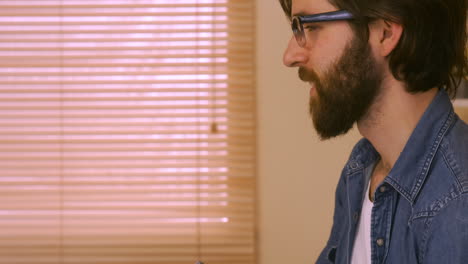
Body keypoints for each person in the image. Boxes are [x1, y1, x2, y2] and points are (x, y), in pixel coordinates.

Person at [278, 0, 468, 263]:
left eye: (312, 26)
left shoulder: (457, 205)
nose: (290, 56)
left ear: (385, 33)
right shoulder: (360, 168)